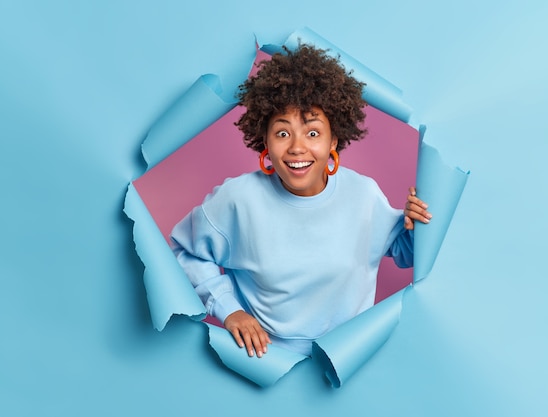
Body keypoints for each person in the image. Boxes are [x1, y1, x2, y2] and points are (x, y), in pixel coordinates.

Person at [170, 44, 431, 358]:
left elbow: (404, 252)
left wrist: (417, 226)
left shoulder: (363, 194)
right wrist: (229, 309)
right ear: (264, 139)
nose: (296, 148)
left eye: (312, 133)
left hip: (350, 360)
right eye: (282, 133)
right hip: (270, 363)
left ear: (334, 139)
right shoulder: (237, 201)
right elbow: (185, 251)